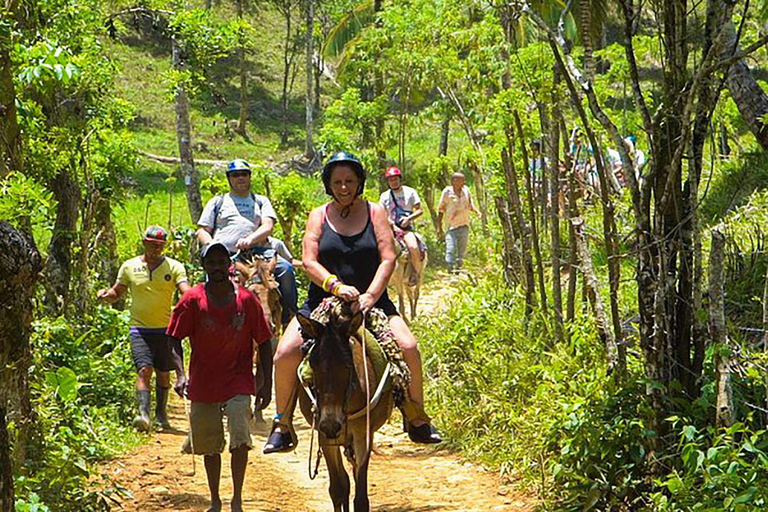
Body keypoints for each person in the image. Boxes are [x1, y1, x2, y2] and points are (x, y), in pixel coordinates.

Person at [263, 151, 441, 454]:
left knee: (408, 347)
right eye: (337, 182)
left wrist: (370, 295)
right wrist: (335, 285)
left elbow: (388, 257)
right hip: (323, 301)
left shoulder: (376, 213)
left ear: (359, 182)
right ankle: (282, 423)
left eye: (349, 181)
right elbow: (309, 260)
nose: (343, 187)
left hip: (373, 302)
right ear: (328, 184)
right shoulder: (318, 215)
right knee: (284, 353)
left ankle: (417, 417)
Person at [167, 242, 273, 512]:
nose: (216, 267)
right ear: (204, 266)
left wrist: (266, 382)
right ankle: (215, 499)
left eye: (220, 262)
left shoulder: (246, 301)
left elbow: (263, 342)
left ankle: (236, 499)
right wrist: (180, 375)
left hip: (238, 379)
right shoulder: (192, 299)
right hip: (203, 380)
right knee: (210, 444)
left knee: (240, 437)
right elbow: (174, 338)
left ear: (229, 265)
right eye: (210, 262)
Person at [97, 225, 190, 432]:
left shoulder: (174, 267)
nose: (156, 249)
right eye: (152, 244)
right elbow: (117, 292)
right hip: (139, 329)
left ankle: (161, 415)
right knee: (144, 370)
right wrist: (106, 296)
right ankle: (143, 414)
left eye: (160, 245)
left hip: (166, 330)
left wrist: (196, 299)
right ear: (144, 243)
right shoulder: (129, 267)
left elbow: (186, 291)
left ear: (164, 246)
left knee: (164, 372)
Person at [196, 159, 298, 325]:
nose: (240, 178)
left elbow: (268, 225)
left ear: (249, 177)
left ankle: (290, 317)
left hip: (259, 253)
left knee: (285, 269)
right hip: (228, 256)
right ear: (229, 178)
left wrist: (251, 240)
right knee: (212, 279)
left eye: (244, 174)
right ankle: (208, 318)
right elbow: (202, 230)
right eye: (235, 175)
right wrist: (214, 247)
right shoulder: (218, 202)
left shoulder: (260, 200)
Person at [379, 166, 424, 286]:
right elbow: (382, 214)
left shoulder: (410, 192)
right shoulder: (384, 196)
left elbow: (419, 210)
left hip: (406, 229)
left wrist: (409, 219)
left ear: (400, 179)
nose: (393, 182)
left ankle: (415, 274)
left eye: (395, 179)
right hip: (390, 229)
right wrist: (392, 225)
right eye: (390, 180)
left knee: (413, 247)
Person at [436, 172, 478, 273]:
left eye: (463, 180)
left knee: (462, 249)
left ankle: (459, 267)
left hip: (464, 224)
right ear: (453, 181)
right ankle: (450, 267)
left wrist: (477, 211)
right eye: (460, 180)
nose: (463, 182)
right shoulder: (447, 192)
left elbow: (470, 203)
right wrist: (439, 226)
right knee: (450, 247)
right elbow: (441, 209)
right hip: (451, 226)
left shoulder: (466, 190)